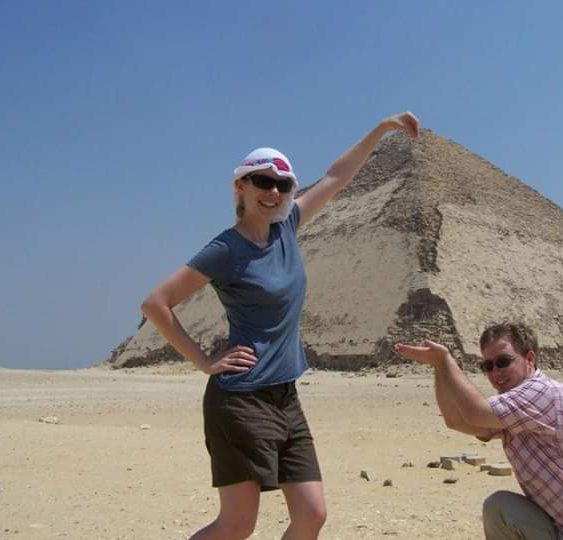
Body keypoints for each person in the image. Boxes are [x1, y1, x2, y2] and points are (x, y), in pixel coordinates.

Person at [140, 111, 419, 540]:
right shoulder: (225, 249)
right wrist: (204, 362)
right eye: (263, 181)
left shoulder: (287, 227)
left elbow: (336, 176)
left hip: (286, 396)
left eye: (283, 185)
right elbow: (156, 303)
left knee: (312, 514)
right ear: (241, 186)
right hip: (241, 400)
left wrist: (380, 130)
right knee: (237, 524)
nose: (273, 192)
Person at [395, 321, 563, 539]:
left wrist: (447, 361)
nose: (495, 373)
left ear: (530, 359)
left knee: (500, 508)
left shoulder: (543, 391)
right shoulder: (515, 409)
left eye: (503, 362)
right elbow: (456, 420)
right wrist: (439, 368)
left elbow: (475, 411)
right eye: (487, 366)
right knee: (499, 508)